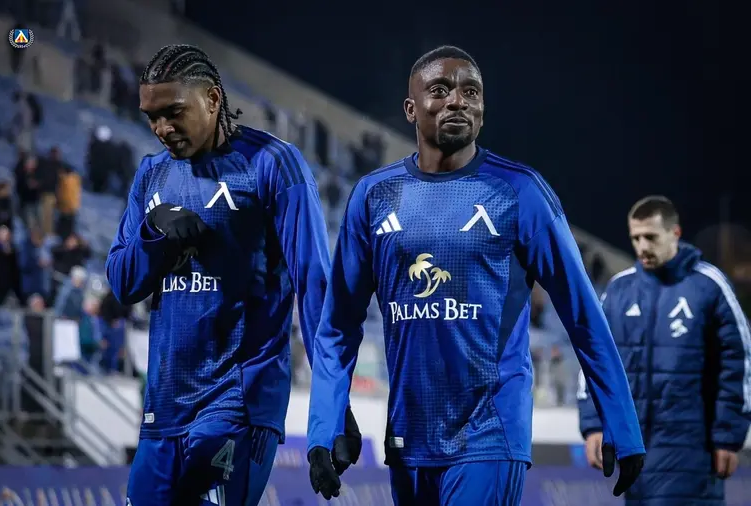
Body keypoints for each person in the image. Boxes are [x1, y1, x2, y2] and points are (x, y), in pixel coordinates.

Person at [306, 45, 645, 505]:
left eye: (471, 92)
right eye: (440, 90)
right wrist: (323, 430)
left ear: (483, 110)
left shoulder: (520, 191)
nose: (457, 101)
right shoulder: (373, 196)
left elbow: (583, 313)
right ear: (411, 109)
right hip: (409, 437)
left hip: (490, 433)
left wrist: (620, 422)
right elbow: (337, 327)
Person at [105, 44, 361, 506]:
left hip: (237, 404)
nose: (161, 128)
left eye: (173, 112)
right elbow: (123, 283)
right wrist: (153, 232)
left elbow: (317, 293)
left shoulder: (273, 164)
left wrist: (332, 407)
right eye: (151, 117)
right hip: (163, 409)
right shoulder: (151, 175)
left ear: (213, 99)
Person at [578, 195, 751, 505]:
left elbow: (738, 362)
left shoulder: (710, 285)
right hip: (635, 450)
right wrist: (593, 424)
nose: (642, 246)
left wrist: (728, 435)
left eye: (651, 237)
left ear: (675, 233)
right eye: (635, 238)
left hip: (693, 451)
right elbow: (594, 359)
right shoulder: (619, 289)